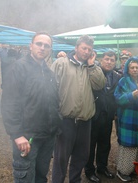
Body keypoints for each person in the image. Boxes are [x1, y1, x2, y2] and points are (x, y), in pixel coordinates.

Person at [1, 32, 61, 182]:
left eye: (46, 46)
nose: (42, 48)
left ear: (50, 49)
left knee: (41, 177)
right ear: (31, 46)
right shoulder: (18, 68)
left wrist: (56, 125)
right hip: (27, 138)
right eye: (39, 44)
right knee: (26, 178)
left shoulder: (49, 73)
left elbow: (53, 101)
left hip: (47, 136)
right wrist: (16, 134)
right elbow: (9, 103)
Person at [51, 35, 106, 183]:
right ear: (76, 48)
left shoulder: (93, 67)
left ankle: (75, 180)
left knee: (81, 156)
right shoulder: (61, 63)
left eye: (89, 49)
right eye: (84, 48)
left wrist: (92, 65)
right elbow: (50, 89)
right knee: (61, 158)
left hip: (85, 121)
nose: (86, 51)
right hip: (66, 120)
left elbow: (100, 85)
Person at [84, 51, 121, 183]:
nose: (109, 62)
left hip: (108, 116)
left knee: (105, 144)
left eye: (112, 60)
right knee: (90, 144)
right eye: (106, 59)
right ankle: (89, 170)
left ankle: (102, 167)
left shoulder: (117, 76)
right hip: (94, 115)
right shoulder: (93, 71)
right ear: (101, 60)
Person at [114, 57, 138, 182]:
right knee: (128, 145)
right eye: (132, 68)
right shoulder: (123, 81)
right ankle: (123, 171)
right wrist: (131, 95)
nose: (135, 70)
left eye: (137, 67)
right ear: (128, 69)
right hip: (129, 118)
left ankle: (135, 169)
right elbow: (118, 98)